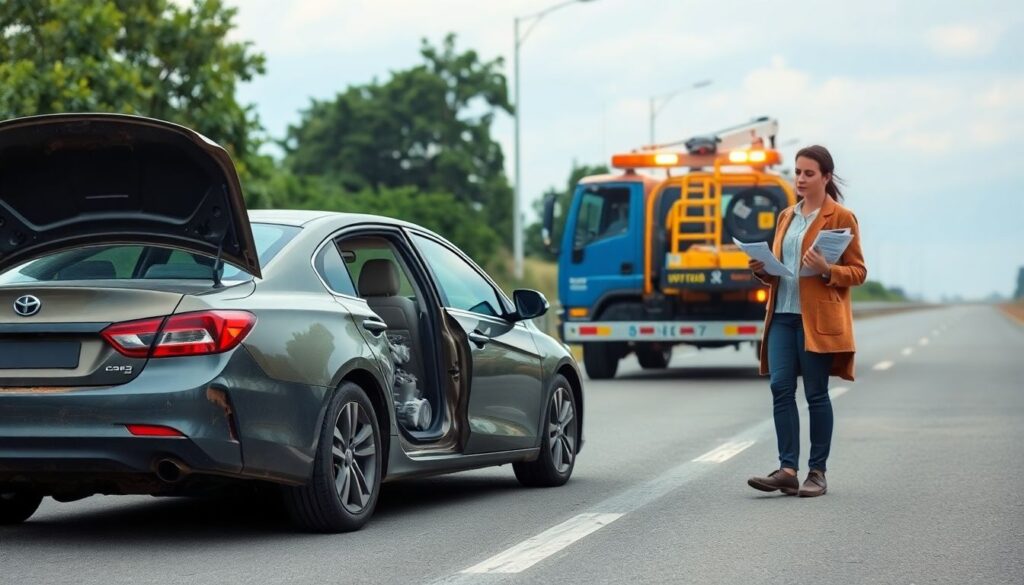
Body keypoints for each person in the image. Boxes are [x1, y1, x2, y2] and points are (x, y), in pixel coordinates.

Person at [746, 145, 866, 497]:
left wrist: (828, 269)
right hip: (782, 316)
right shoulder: (787, 216)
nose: (800, 178)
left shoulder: (841, 217)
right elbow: (781, 270)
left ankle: (817, 472)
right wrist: (762, 268)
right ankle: (787, 470)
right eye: (797, 171)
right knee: (780, 388)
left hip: (816, 320)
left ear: (826, 177)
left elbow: (858, 271)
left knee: (815, 394)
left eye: (808, 173)